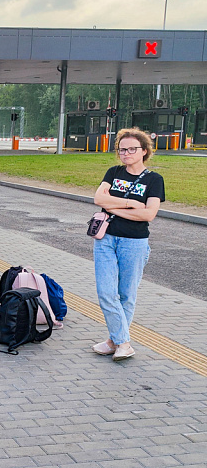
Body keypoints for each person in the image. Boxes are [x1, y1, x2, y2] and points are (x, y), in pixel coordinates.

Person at [91, 128, 164, 362]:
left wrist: (113, 208)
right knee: (105, 292)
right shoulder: (113, 172)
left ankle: (115, 341)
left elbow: (148, 215)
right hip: (106, 239)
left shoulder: (154, 180)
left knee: (126, 295)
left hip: (134, 242)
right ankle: (124, 342)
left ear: (144, 151)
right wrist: (129, 203)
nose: (126, 153)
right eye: (122, 149)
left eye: (132, 149)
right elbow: (98, 199)